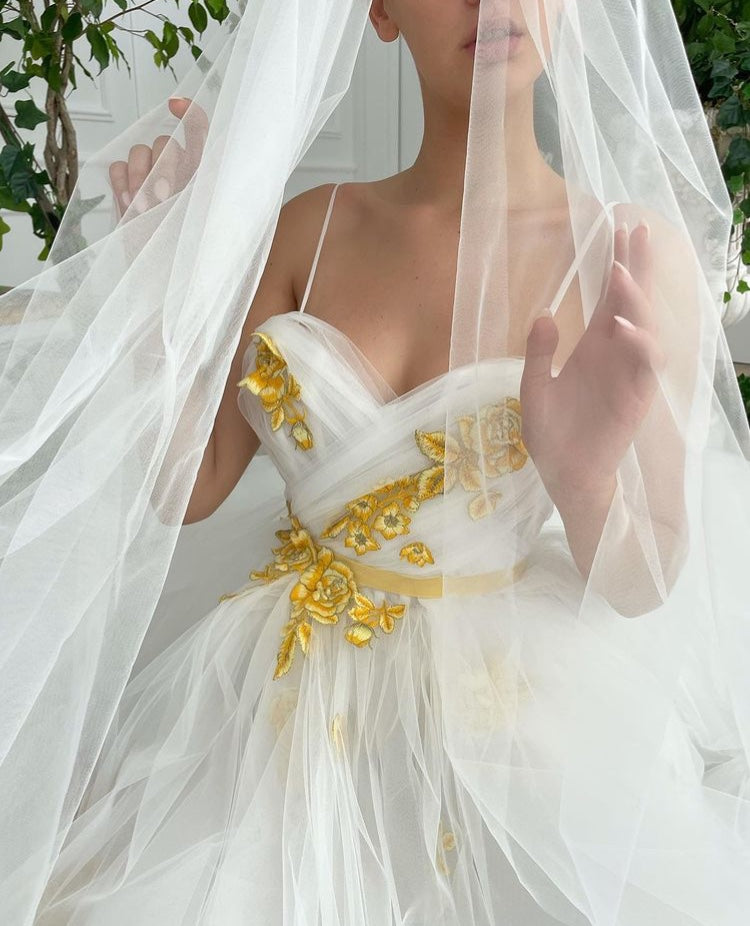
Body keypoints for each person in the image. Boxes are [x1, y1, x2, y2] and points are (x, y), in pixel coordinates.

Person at [4, 1, 750, 923]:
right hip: (274, 710)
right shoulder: (305, 229)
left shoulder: (626, 253)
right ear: (381, 12)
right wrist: (171, 289)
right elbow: (188, 494)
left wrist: (583, 476)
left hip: (521, 727)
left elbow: (649, 578)